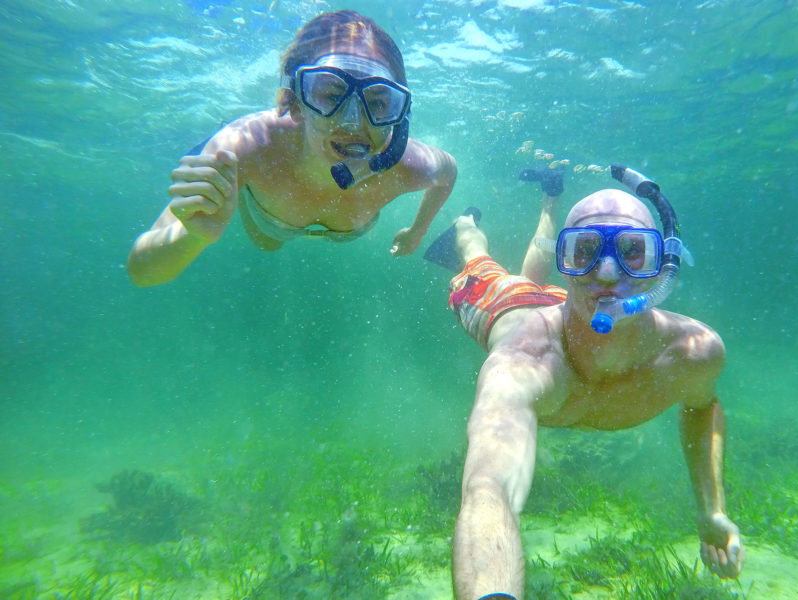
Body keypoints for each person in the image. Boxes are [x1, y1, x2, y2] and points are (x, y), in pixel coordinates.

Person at [427, 167, 744, 600]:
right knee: (480, 265)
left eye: (632, 250)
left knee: (534, 279)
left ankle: (550, 197)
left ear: (662, 264)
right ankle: (466, 227)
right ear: (567, 262)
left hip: (567, 306)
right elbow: (489, 488)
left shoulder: (692, 353)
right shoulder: (522, 362)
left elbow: (702, 405)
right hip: (506, 305)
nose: (608, 274)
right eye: (585, 251)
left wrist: (712, 509)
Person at [128, 10, 457, 286]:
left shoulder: (408, 164)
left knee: (272, 240)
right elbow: (141, 272)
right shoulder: (244, 148)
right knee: (267, 243)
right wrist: (193, 236)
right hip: (269, 225)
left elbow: (449, 173)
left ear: (399, 116)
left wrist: (417, 231)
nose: (354, 123)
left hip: (317, 222)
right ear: (295, 101)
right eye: (331, 94)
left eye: (378, 102)